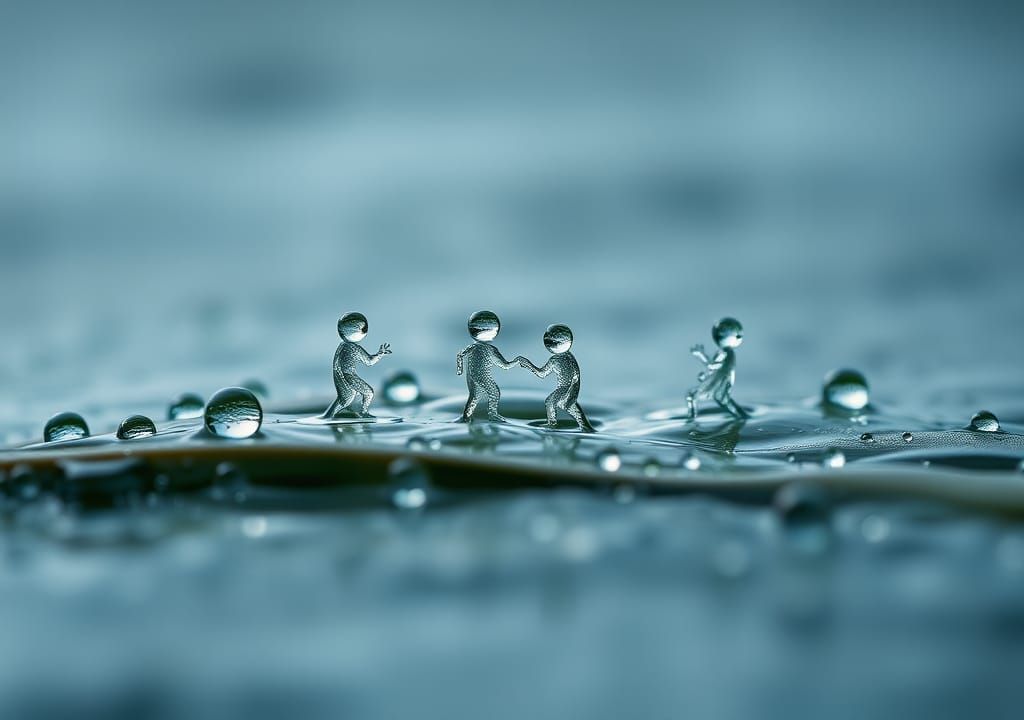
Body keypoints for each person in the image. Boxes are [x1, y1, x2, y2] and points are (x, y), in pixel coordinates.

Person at [518, 323, 595, 432]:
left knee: (550, 402)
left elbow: (541, 374)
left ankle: (552, 425)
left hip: (565, 388)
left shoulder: (559, 359)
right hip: (571, 390)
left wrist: (527, 365)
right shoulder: (568, 357)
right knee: (569, 407)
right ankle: (587, 429)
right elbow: (575, 376)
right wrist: (528, 365)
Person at [324, 312, 391, 418]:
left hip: (341, 377)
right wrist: (380, 354)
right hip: (349, 376)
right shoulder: (354, 348)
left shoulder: (342, 347)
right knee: (369, 393)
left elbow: (336, 366)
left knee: (346, 399)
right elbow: (369, 361)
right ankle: (364, 413)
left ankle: (328, 417)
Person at [456, 310, 518, 422]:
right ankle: (492, 414)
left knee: (474, 396)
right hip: (480, 376)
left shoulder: (476, 348)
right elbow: (505, 366)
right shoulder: (488, 349)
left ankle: (466, 417)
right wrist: (517, 361)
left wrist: (460, 369)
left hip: (474, 376)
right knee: (494, 392)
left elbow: (460, 355)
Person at [686, 317, 748, 420]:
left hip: (722, 380)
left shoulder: (728, 353)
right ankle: (743, 417)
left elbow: (713, 365)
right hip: (719, 379)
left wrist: (700, 355)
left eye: (724, 332)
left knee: (695, 396)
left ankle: (690, 423)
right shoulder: (722, 352)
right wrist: (705, 375)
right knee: (722, 399)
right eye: (721, 331)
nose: (721, 334)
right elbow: (713, 368)